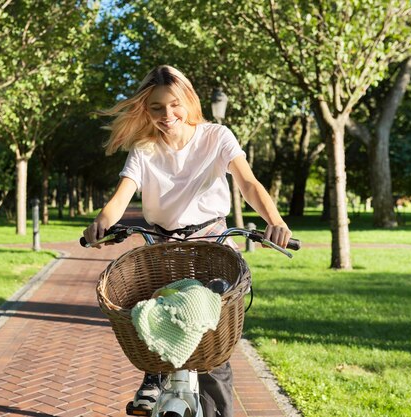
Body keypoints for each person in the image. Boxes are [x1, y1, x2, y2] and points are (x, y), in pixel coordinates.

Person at [83, 65, 292, 416]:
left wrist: (276, 221)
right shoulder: (144, 149)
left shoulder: (216, 136)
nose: (168, 115)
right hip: (162, 248)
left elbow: (249, 184)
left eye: (175, 104)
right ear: (144, 109)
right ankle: (155, 375)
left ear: (189, 101)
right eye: (157, 108)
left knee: (212, 345)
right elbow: (121, 198)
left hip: (213, 245)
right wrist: (100, 225)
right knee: (150, 309)